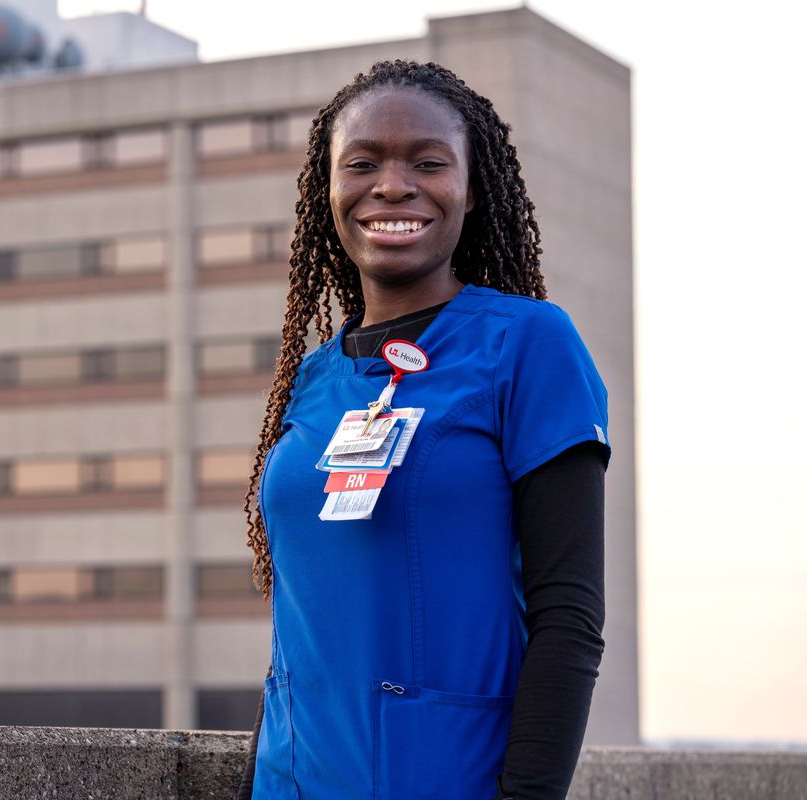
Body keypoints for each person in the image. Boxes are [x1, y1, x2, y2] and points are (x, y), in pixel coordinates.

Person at [234, 60, 610, 800]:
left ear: (471, 190)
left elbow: (569, 619)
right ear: (327, 192)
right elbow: (299, 634)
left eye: (428, 162)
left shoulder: (529, 345)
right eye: (362, 163)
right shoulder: (311, 382)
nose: (393, 185)